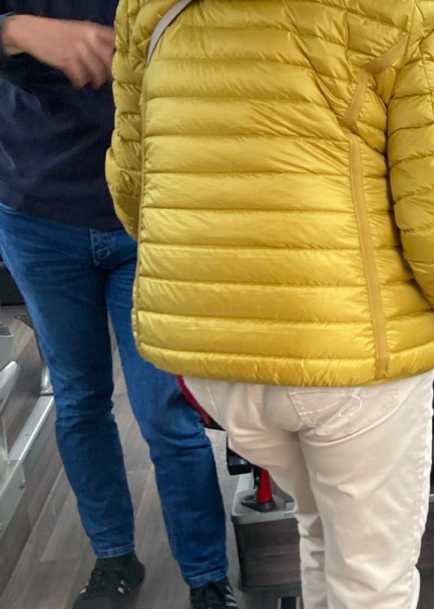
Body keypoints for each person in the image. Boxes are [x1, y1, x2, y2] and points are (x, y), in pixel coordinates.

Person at [106, 0, 434, 607]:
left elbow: (134, 192)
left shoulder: (144, 11)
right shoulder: (408, 9)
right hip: (351, 359)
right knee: (373, 581)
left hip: (217, 362)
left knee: (317, 524)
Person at [0, 4, 232, 609]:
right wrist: (17, 28)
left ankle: (207, 577)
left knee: (166, 411)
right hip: (36, 211)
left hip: (151, 207)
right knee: (79, 402)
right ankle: (113, 558)